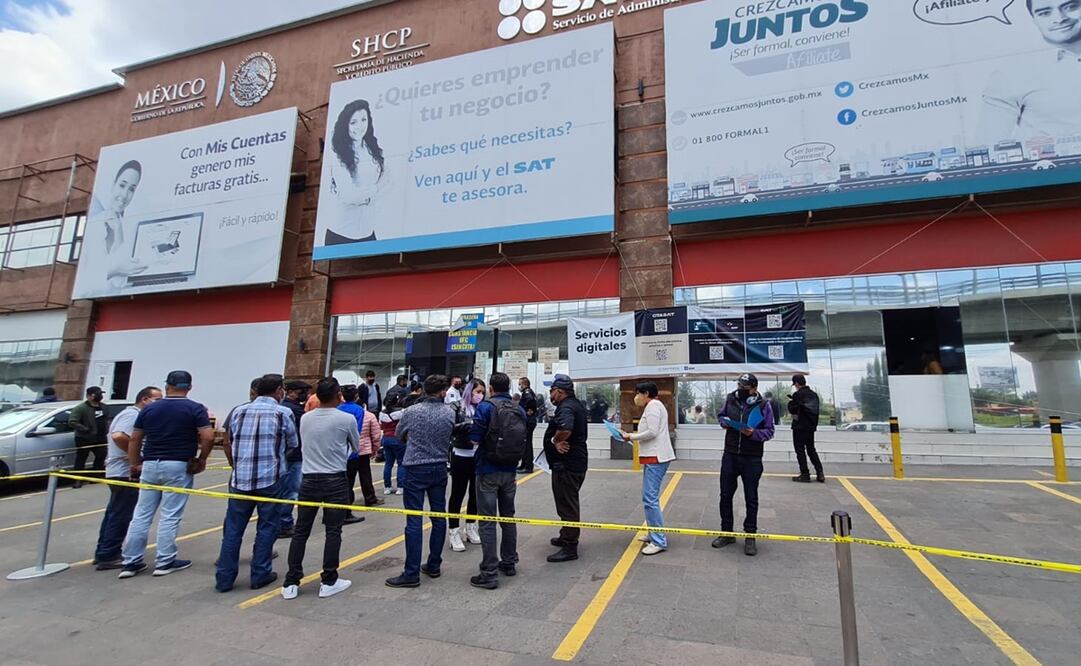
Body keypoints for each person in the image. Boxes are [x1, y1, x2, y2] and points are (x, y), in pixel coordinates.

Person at [118, 370, 214, 579]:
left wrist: (135, 463)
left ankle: (130, 561)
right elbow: (207, 436)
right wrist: (201, 458)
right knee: (170, 515)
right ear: (189, 387)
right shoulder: (195, 408)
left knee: (141, 514)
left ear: (167, 386)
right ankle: (165, 560)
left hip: (151, 462)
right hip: (178, 463)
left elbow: (135, 439)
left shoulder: (150, 409)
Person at [216, 375, 298, 593]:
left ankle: (224, 577)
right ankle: (260, 573)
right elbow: (293, 443)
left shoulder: (238, 411)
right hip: (270, 478)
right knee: (267, 526)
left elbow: (230, 440)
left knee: (233, 529)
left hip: (240, 478)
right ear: (279, 390)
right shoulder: (283, 412)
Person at [282, 377, 357, 600]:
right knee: (333, 530)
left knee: (301, 530)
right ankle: (329, 579)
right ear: (338, 396)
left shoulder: (305, 418)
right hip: (335, 478)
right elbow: (354, 446)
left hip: (309, 478)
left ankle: (291, 581)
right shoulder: (346, 418)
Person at [385, 374, 454, 588]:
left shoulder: (412, 411)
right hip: (440, 466)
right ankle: (434, 564)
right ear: (443, 392)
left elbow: (399, 434)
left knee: (414, 520)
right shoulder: (449, 412)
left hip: (415, 467)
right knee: (438, 516)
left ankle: (411, 571)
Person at [981, 0, 1081, 141]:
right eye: (1045, 13)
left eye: (1070, 7)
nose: (1059, 19)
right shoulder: (1011, 75)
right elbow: (988, 144)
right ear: (1033, 19)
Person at [468, 372, 527, 589]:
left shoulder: (485, 407)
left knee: (487, 520)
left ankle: (489, 572)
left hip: (487, 469)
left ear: (491, 388)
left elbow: (474, 438)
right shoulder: (517, 408)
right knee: (508, 517)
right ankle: (509, 562)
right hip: (510, 469)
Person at [92, 386, 161, 570]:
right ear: (145, 399)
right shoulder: (132, 415)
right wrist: (135, 458)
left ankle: (104, 551)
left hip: (121, 471)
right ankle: (109, 554)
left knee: (115, 512)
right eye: (157, 398)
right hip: (124, 472)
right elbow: (119, 436)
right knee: (121, 514)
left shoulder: (133, 414)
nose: (160, 402)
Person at [712, 373, 775, 557]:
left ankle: (750, 536)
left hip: (752, 458)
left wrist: (753, 433)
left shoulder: (764, 405)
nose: (740, 388)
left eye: (744, 386)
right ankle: (727, 533)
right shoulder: (731, 399)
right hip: (730, 454)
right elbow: (721, 415)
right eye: (739, 384)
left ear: (754, 388)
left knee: (751, 498)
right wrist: (725, 422)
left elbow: (770, 431)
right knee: (725, 495)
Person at [620, 381, 676, 556]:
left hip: (656, 457)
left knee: (650, 498)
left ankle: (659, 540)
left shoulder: (653, 407)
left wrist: (631, 436)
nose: (636, 397)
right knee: (649, 497)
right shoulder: (655, 406)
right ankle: (653, 533)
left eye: (638, 393)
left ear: (646, 394)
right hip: (653, 456)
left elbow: (652, 432)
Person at [324, 99, 388, 245]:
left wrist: (365, 197)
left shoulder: (374, 149)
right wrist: (376, 190)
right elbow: (349, 195)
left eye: (363, 120)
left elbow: (390, 182)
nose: (359, 126)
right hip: (341, 233)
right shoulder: (336, 154)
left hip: (368, 232)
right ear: (345, 125)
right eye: (353, 122)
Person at [544, 374, 589, 563]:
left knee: (567, 503)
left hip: (567, 465)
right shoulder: (575, 404)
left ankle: (570, 546)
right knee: (566, 501)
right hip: (574, 462)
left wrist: (556, 440)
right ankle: (565, 535)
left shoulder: (567, 407)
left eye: (551, 391)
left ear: (560, 391)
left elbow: (566, 428)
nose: (550, 395)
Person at [90, 160, 148, 290]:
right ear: (113, 185)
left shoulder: (127, 228)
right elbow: (86, 282)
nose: (125, 195)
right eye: (122, 185)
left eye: (131, 189)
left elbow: (118, 284)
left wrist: (119, 234)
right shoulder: (94, 224)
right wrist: (115, 270)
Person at [448, 378, 484, 552]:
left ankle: (471, 526)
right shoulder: (456, 407)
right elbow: (449, 428)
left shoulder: (484, 408)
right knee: (457, 494)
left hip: (478, 455)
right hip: (460, 454)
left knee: (475, 494)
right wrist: (467, 426)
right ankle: (454, 531)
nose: (480, 395)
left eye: (483, 392)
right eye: (478, 391)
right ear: (470, 391)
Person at [338, 384, 384, 523]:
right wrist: (375, 449)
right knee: (365, 476)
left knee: (346, 480)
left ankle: (344, 505)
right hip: (362, 450)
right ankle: (370, 499)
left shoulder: (338, 410)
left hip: (342, 450)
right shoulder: (366, 414)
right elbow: (376, 435)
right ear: (357, 396)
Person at [278, 380, 309, 539]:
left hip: (288, 455)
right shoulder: (293, 410)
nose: (305, 394)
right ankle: (285, 523)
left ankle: (282, 522)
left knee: (285, 490)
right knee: (290, 490)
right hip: (294, 456)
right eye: (302, 391)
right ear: (291, 391)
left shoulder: (287, 407)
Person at [69, 386, 110, 488]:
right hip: (84, 438)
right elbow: (72, 421)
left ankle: (96, 477)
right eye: (96, 394)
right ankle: (78, 480)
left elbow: (107, 420)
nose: (99, 396)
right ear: (89, 396)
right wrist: (85, 429)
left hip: (101, 437)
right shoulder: (81, 408)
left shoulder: (104, 407)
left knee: (100, 457)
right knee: (81, 459)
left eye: (101, 394)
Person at [788, 374, 824, 483]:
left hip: (799, 427)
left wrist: (791, 403)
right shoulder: (814, 395)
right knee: (811, 450)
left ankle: (805, 474)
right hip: (810, 427)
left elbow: (793, 410)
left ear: (797, 384)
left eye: (795, 384)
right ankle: (820, 473)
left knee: (800, 451)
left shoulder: (797, 395)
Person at [380, 397, 407, 495]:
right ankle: (401, 487)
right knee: (401, 463)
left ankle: (387, 487)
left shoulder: (382, 413)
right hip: (397, 439)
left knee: (388, 463)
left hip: (386, 439)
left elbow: (381, 426)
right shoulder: (401, 412)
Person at [516, 377, 538, 473]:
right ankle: (524, 464)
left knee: (527, 444)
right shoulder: (526, 393)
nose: (519, 386)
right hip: (527, 420)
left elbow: (530, 402)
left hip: (528, 421)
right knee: (525, 444)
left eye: (520, 384)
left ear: (524, 384)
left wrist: (527, 410)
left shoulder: (527, 393)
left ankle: (528, 466)